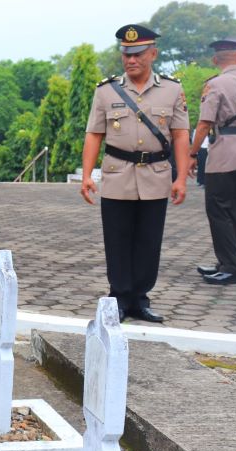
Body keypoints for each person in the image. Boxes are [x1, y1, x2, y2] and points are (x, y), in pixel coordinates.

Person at [80, 24, 190, 323]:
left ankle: (140, 300)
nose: (131, 60)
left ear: (152, 54)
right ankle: (118, 297)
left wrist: (180, 178)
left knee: (148, 241)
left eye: (138, 54)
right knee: (117, 239)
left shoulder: (172, 89)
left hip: (156, 175)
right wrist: (87, 174)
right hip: (117, 175)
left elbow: (180, 135)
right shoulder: (106, 91)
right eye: (126, 54)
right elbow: (94, 134)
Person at [189, 37, 236, 285]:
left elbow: (204, 124)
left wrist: (191, 154)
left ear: (215, 60)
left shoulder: (215, 85)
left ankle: (231, 266)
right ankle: (227, 262)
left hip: (224, 156)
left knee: (219, 211)